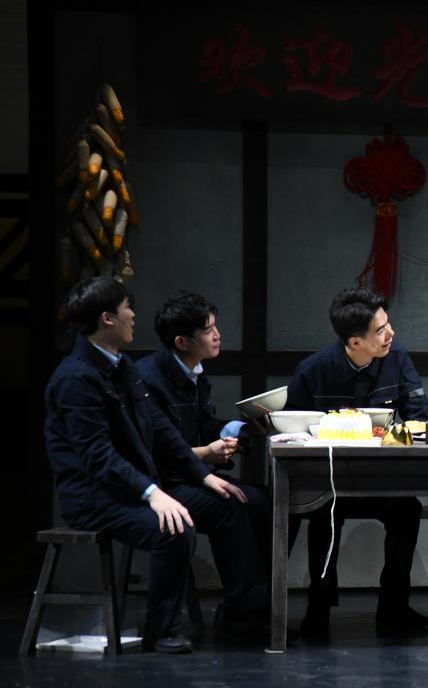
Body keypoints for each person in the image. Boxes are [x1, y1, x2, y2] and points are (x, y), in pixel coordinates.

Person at [44, 277, 269, 653]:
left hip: (131, 486)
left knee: (236, 501)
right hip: (93, 495)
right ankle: (161, 628)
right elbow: (97, 455)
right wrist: (152, 493)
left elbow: (161, 430)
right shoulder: (76, 378)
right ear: (108, 319)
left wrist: (203, 476)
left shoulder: (121, 366)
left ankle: (248, 616)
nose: (134, 315)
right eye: (126, 308)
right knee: (174, 528)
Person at [285, 288, 428, 636]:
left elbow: (420, 418)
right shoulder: (314, 370)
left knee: (408, 509)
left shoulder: (398, 358)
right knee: (323, 513)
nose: (391, 333)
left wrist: (393, 433)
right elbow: (291, 431)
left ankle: (394, 607)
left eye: (388, 324)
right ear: (354, 342)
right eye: (380, 330)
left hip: (382, 478)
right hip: (330, 480)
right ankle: (318, 607)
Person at [135, 291, 270, 575]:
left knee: (264, 501)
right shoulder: (148, 379)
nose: (217, 335)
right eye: (208, 331)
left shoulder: (193, 370)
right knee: (232, 505)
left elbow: (205, 425)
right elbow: (156, 449)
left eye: (215, 327)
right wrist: (207, 453)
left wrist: (245, 430)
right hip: (162, 483)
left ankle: (263, 593)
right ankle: (246, 600)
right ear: (182, 342)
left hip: (190, 474)